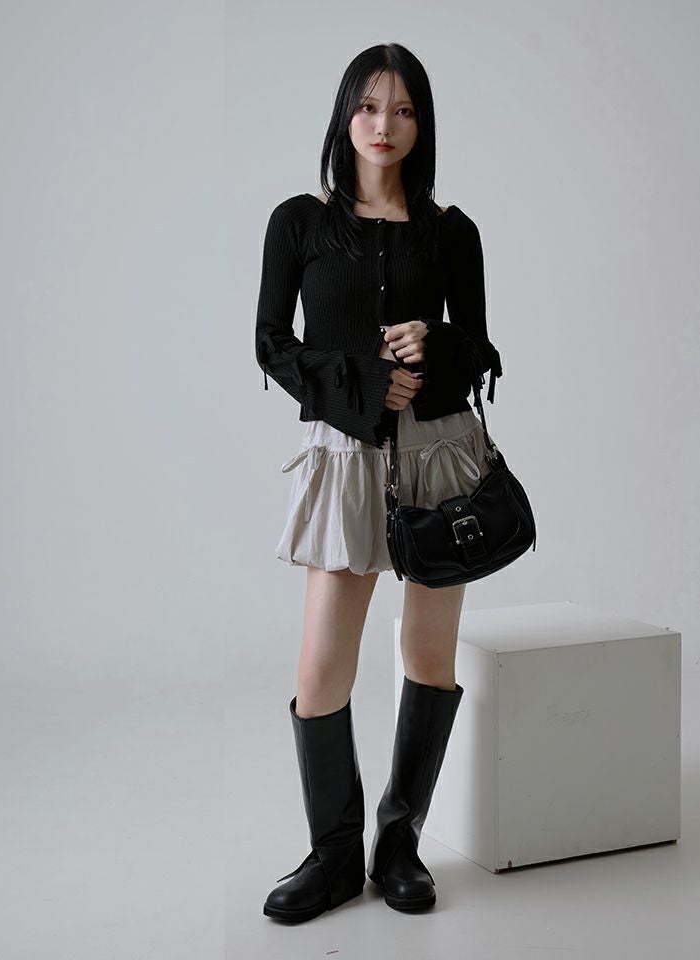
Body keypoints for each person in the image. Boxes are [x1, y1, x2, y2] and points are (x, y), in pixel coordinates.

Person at [255, 42, 503, 924]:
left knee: (427, 657)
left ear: (421, 124)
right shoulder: (300, 224)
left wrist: (433, 347)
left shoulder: (452, 232)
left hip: (440, 454)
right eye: (368, 106)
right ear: (344, 115)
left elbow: (481, 351)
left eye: (402, 109)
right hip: (346, 456)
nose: (383, 125)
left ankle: (399, 845)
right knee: (323, 666)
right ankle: (333, 856)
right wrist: (364, 377)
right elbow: (271, 345)